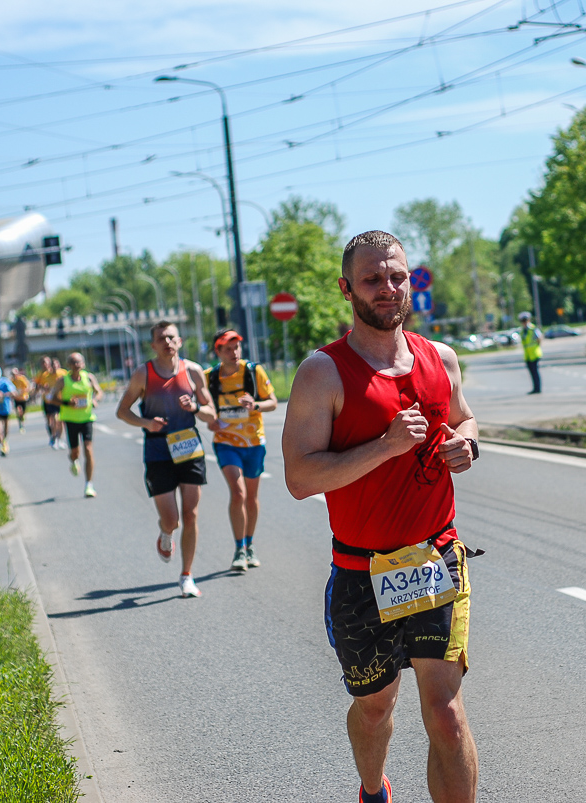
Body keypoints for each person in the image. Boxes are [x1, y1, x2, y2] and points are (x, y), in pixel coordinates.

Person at [282, 230, 480, 803]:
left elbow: (466, 420)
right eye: (373, 278)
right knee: (376, 707)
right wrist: (383, 448)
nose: (388, 288)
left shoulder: (439, 357)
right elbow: (299, 478)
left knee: (446, 714)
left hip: (435, 556)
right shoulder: (323, 372)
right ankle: (373, 788)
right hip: (361, 572)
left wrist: (468, 445)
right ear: (347, 289)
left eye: (398, 275)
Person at [116, 321, 216, 599]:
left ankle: (186, 575)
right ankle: (165, 531)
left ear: (180, 341)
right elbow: (122, 411)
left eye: (171, 337)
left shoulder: (193, 371)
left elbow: (211, 413)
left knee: (191, 513)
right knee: (172, 519)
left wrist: (195, 407)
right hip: (158, 449)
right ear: (153, 345)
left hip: (188, 445)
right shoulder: (143, 374)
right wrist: (146, 422)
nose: (167, 342)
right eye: (161, 338)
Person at [204, 329, 278, 572]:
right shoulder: (210, 377)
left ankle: (249, 544)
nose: (234, 352)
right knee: (238, 493)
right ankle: (238, 549)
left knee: (251, 497)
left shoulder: (253, 371)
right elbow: (200, 406)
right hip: (226, 443)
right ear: (218, 351)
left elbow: (273, 402)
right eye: (227, 348)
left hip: (253, 443)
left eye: (236, 347)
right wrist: (209, 419)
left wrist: (255, 404)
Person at [51, 353, 103, 498]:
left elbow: (99, 392)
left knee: (88, 448)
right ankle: (73, 460)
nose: (77, 365)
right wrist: (68, 403)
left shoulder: (89, 378)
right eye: (73, 362)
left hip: (87, 418)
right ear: (68, 365)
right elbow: (53, 398)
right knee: (75, 452)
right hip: (70, 419)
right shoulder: (63, 380)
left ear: (83, 364)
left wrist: (95, 399)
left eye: (79, 362)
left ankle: (89, 485)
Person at [35, 356, 67, 449]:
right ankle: (54, 437)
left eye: (57, 365)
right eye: (53, 365)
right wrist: (43, 388)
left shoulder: (63, 373)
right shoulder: (45, 375)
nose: (56, 367)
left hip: (60, 400)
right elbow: (38, 386)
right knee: (52, 420)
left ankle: (59, 438)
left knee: (59, 420)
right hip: (49, 400)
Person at [518, 310, 542, 394]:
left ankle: (538, 388)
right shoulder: (522, 331)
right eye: (522, 321)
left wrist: (536, 347)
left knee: (535, 372)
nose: (524, 323)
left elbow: (539, 338)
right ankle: (535, 388)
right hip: (527, 355)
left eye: (525, 320)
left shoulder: (533, 329)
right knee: (531, 373)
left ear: (528, 320)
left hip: (534, 354)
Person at [10, 367, 31, 432]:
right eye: (12, 374)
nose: (14, 376)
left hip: (23, 398)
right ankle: (20, 423)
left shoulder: (22, 379)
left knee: (23, 411)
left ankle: (22, 417)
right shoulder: (12, 381)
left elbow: (27, 387)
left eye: (15, 374)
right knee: (18, 410)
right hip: (16, 398)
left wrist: (22, 391)